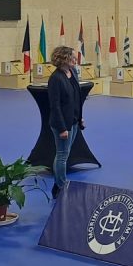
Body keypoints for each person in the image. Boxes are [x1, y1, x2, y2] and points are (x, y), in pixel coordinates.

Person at [46, 45, 84, 199]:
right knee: (62, 155)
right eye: (72, 57)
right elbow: (54, 106)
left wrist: (80, 117)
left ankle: (56, 185)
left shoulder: (72, 72)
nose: (75, 59)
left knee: (66, 153)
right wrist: (62, 128)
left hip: (74, 121)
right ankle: (61, 186)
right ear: (64, 59)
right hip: (61, 124)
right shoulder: (55, 78)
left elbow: (77, 98)